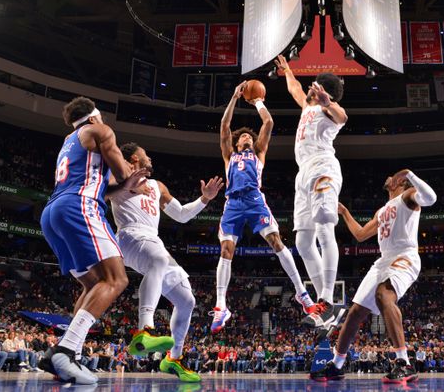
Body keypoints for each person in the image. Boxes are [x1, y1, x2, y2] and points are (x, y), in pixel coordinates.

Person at [39, 96, 148, 384]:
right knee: (117, 280)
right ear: (94, 117)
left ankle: (67, 354)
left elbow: (103, 187)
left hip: (53, 212)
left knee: (92, 283)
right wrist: (131, 179)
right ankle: (63, 351)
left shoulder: (69, 140)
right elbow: (124, 173)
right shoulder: (100, 130)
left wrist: (123, 185)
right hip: (79, 206)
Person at [309, 169, 437, 384]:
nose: (388, 177)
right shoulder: (383, 210)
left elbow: (431, 198)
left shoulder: (407, 196)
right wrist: (344, 212)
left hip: (404, 256)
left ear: (400, 183)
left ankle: (404, 362)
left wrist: (409, 174)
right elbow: (360, 235)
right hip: (383, 260)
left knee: (383, 295)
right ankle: (337, 365)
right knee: (355, 313)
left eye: (394, 177)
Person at [109, 142, 223, 382]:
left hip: (152, 239)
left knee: (187, 300)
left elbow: (181, 214)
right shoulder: (118, 175)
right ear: (133, 159)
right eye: (145, 154)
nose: (150, 157)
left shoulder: (157, 186)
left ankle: (174, 358)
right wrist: (122, 183)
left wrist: (204, 199)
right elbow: (102, 191)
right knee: (159, 260)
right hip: (130, 234)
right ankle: (144, 330)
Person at [211, 81, 318, 333]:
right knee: (226, 249)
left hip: (255, 200)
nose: (248, 137)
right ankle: (221, 305)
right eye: (244, 136)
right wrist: (235, 98)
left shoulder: (258, 152)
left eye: (250, 135)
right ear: (237, 143)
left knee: (276, 242)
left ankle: (302, 294)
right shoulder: (230, 155)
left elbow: (268, 124)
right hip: (233, 203)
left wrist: (258, 101)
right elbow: (225, 126)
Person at [274, 55, 348, 328]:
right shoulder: (307, 107)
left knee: (325, 229)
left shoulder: (330, 110)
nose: (309, 88)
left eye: (314, 86)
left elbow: (343, 116)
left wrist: (329, 102)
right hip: (303, 174)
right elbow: (294, 88)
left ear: (323, 91)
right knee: (304, 243)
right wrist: (288, 70)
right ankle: (322, 305)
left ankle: (328, 298)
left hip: (323, 168)